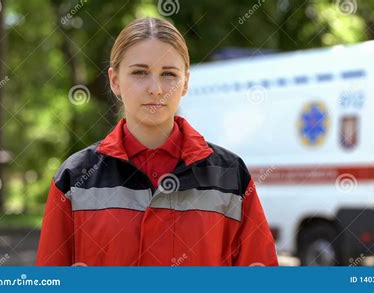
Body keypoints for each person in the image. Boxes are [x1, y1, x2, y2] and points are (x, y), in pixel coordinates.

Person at [36, 17, 278, 266]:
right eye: (140, 72)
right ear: (115, 80)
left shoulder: (230, 176)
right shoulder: (75, 177)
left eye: (169, 74)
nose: (156, 89)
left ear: (186, 82)